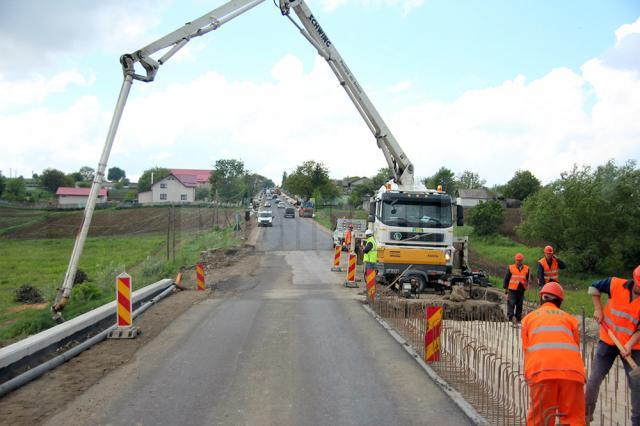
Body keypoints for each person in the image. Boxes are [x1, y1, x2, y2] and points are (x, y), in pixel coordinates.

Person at [521, 282, 586, 425]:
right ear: (560, 301)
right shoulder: (571, 320)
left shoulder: (529, 319)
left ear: (541, 299)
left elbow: (527, 350)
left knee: (541, 419)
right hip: (573, 374)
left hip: (542, 373)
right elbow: (575, 346)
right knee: (574, 419)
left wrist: (529, 375)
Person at [585, 265, 640, 425]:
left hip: (634, 348)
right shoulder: (615, 284)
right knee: (594, 380)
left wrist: (629, 345)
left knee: (637, 385)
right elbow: (593, 287)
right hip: (608, 341)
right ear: (634, 281)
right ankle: (585, 416)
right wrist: (598, 309)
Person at [503, 252, 529, 325]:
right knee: (511, 303)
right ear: (515, 260)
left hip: (521, 289)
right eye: (517, 260)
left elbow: (528, 278)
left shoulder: (527, 268)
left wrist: (529, 282)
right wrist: (506, 288)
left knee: (519, 304)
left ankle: (518, 318)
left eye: (520, 260)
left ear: (522, 261)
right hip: (512, 289)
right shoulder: (511, 267)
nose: (518, 262)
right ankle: (511, 318)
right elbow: (506, 278)